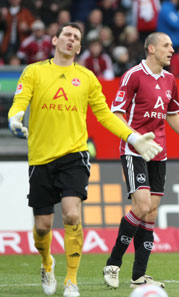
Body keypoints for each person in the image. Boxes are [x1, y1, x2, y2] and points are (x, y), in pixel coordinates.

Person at [7, 22, 162, 297]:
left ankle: (71, 281)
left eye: (76, 37)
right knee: (43, 226)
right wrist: (14, 117)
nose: (71, 39)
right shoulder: (34, 71)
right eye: (66, 34)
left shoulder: (88, 78)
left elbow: (104, 115)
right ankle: (46, 263)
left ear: (79, 47)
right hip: (40, 158)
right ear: (55, 40)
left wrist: (133, 138)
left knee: (71, 214)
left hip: (74, 155)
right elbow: (21, 101)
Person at [103, 32, 179, 289]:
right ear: (151, 49)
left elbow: (172, 114)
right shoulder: (133, 75)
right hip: (135, 150)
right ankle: (112, 264)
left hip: (159, 152)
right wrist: (133, 139)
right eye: (167, 45)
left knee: (151, 211)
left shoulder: (170, 79)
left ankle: (138, 276)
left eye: (172, 46)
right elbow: (116, 113)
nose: (172, 50)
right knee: (142, 205)